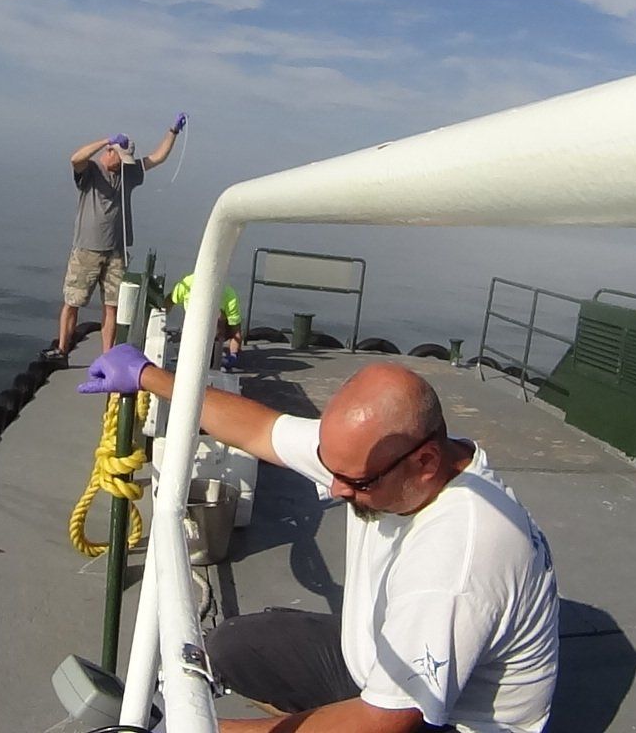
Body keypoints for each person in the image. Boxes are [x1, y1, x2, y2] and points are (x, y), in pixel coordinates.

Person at [80, 344, 559, 733]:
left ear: (426, 463)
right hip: (374, 664)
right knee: (234, 648)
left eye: (355, 484)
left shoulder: (459, 555)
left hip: (443, 722)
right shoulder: (379, 457)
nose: (335, 490)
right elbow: (262, 430)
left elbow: (383, 722)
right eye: (333, 471)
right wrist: (148, 376)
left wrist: (201, 729)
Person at [46, 114, 187, 363]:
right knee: (73, 302)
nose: (122, 163)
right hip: (86, 250)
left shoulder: (129, 173)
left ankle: (107, 357)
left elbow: (158, 157)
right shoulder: (91, 170)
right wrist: (105, 140)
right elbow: (75, 158)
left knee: (112, 306)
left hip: (117, 251)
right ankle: (62, 350)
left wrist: (172, 131)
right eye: (118, 157)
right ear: (109, 152)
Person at [167, 272, 244, 371]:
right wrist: (162, 315)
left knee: (212, 364)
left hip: (217, 333)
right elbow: (170, 300)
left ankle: (216, 350)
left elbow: (236, 332)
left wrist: (233, 355)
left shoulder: (229, 297)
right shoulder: (187, 285)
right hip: (193, 329)